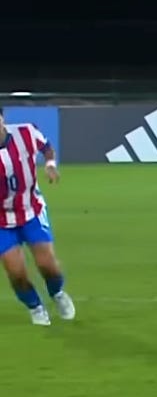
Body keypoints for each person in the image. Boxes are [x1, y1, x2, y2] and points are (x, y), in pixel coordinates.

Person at [0, 107, 75, 326]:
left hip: (31, 210)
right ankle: (35, 306)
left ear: (2, 119)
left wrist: (50, 165)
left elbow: (46, 147)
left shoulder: (26, 133)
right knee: (16, 272)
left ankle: (57, 293)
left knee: (47, 265)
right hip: (2, 221)